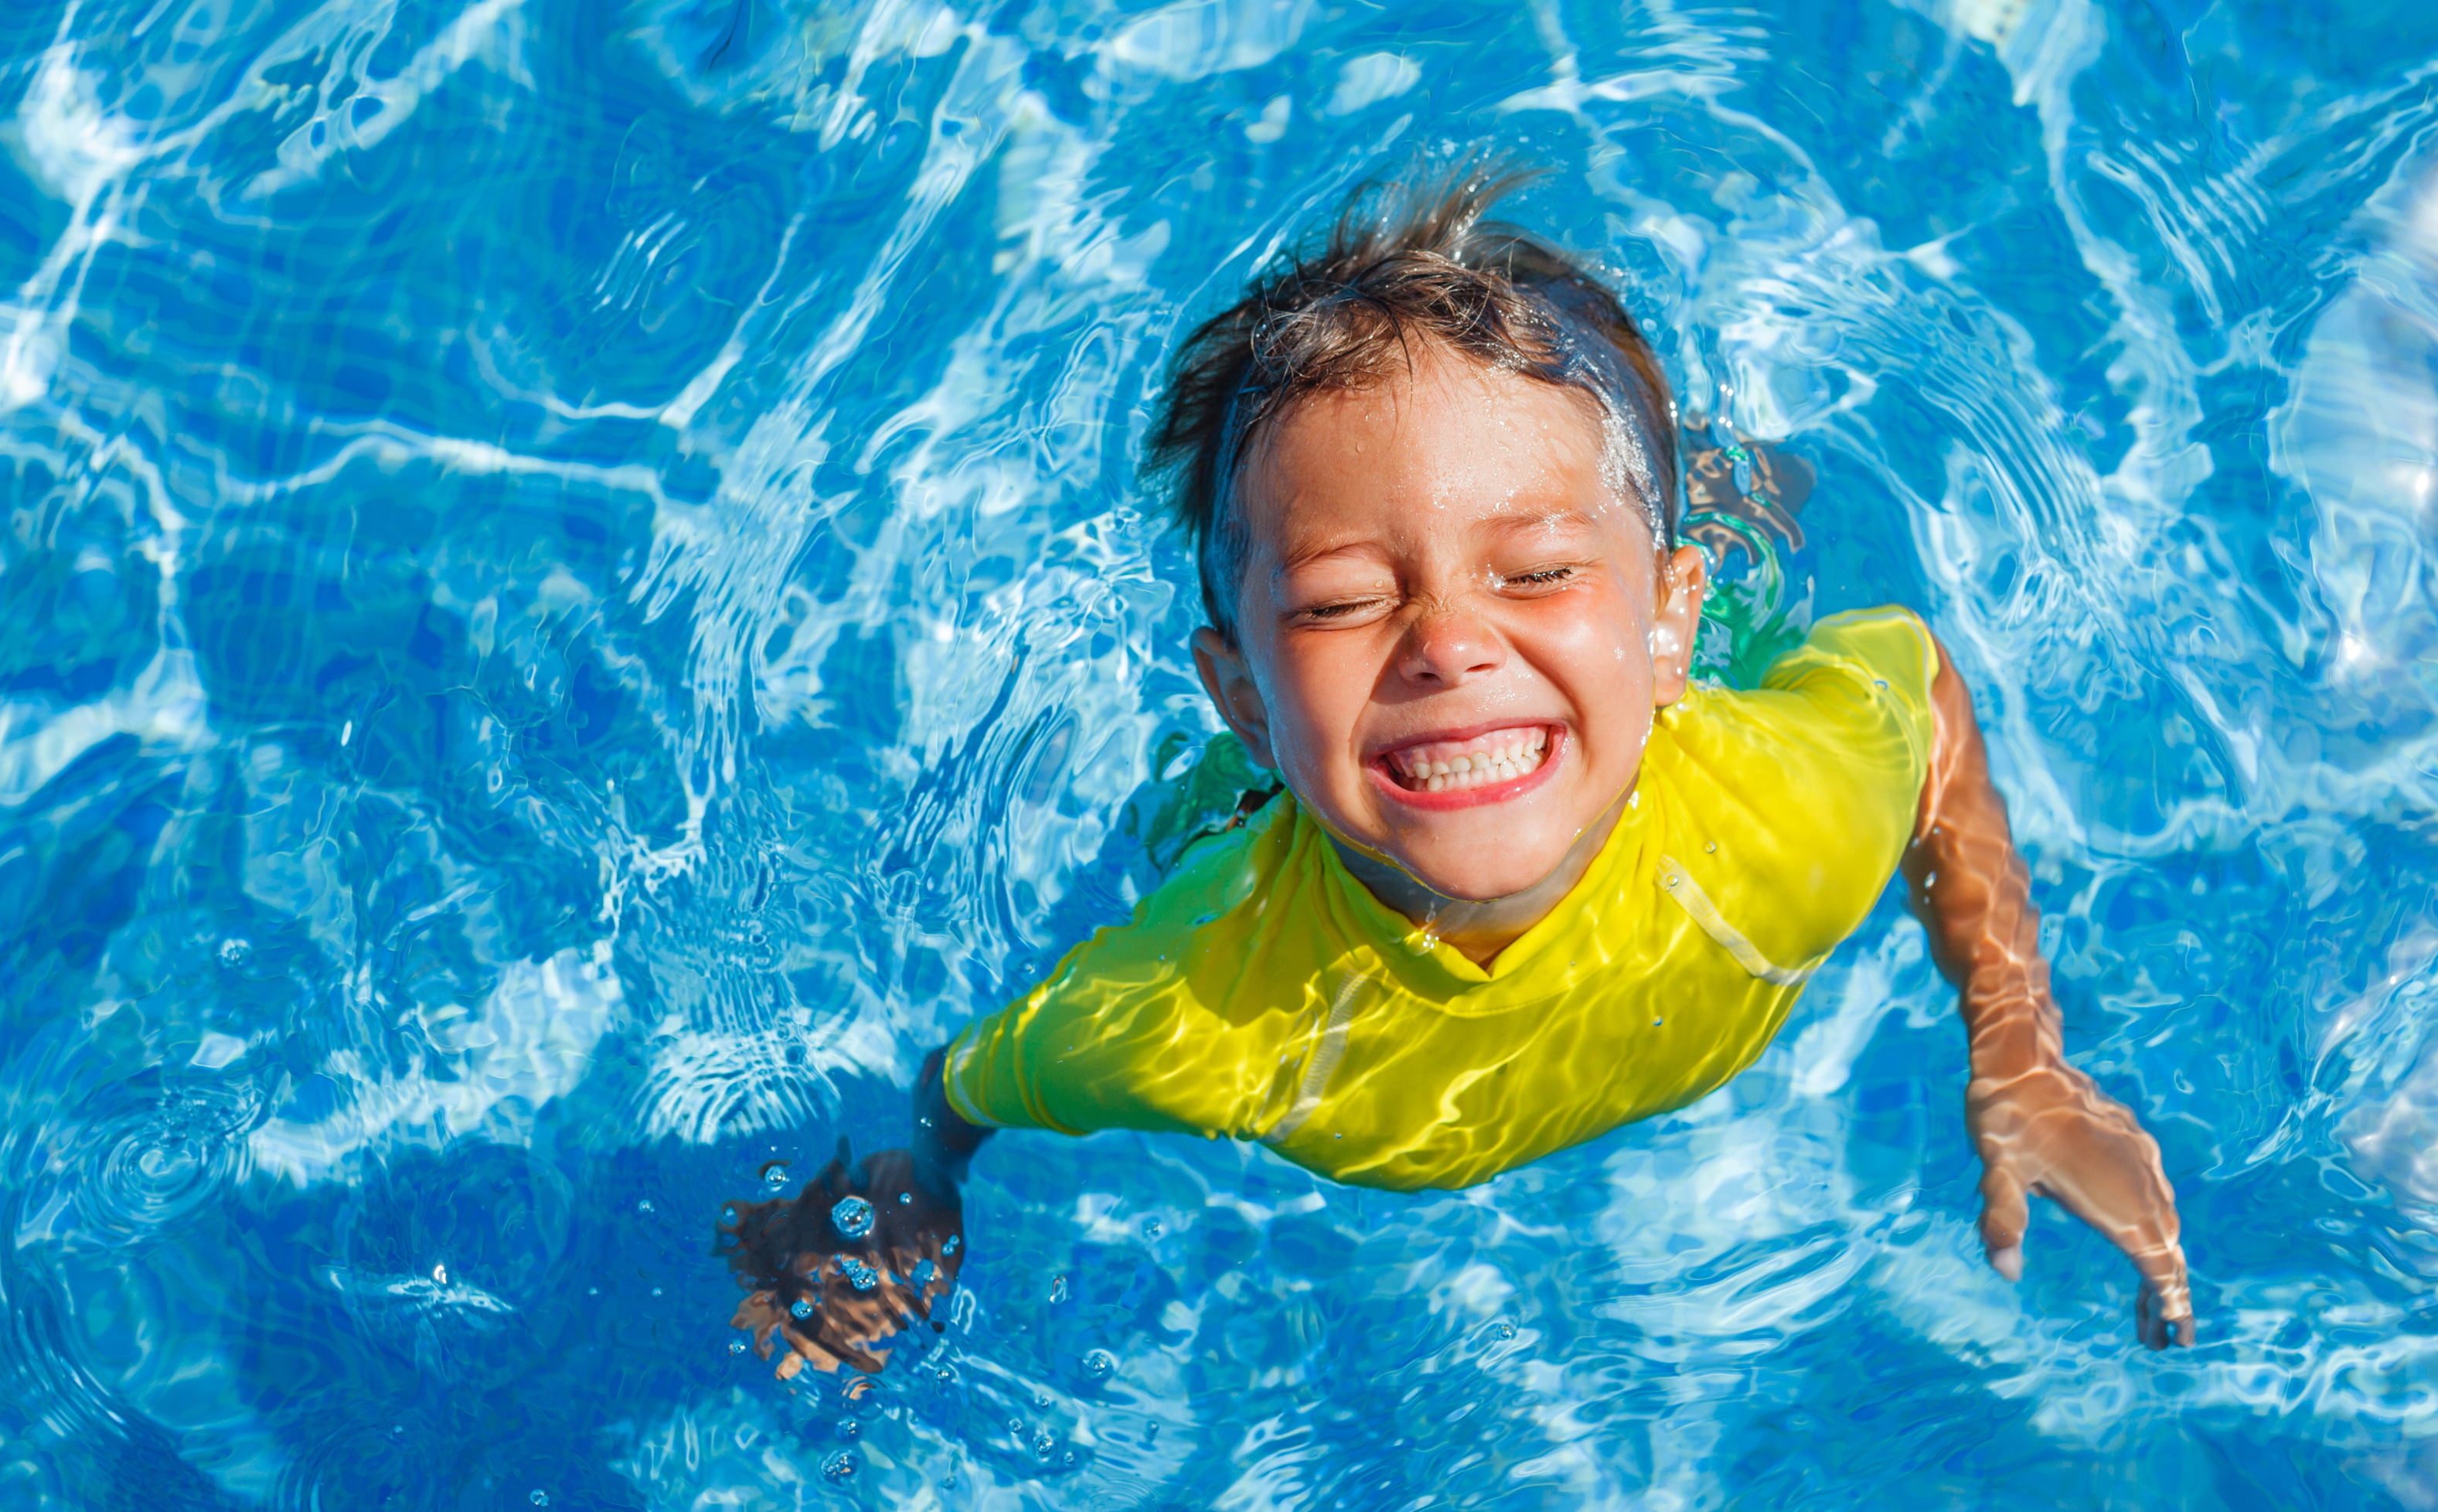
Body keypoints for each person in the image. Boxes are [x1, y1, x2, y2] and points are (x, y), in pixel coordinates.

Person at [717, 166, 2191, 1376]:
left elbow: (1918, 682)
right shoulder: (1200, 1007)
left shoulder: (1781, 819)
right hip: (1262, 814)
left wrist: (2018, 1049)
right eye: (1345, 599)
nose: (1448, 646)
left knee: (1754, 531)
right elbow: (961, 1088)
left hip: (1689, 683)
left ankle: (1700, 515)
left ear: (1658, 624)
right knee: (1189, 820)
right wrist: (905, 1190)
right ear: (1235, 685)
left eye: (1531, 568)